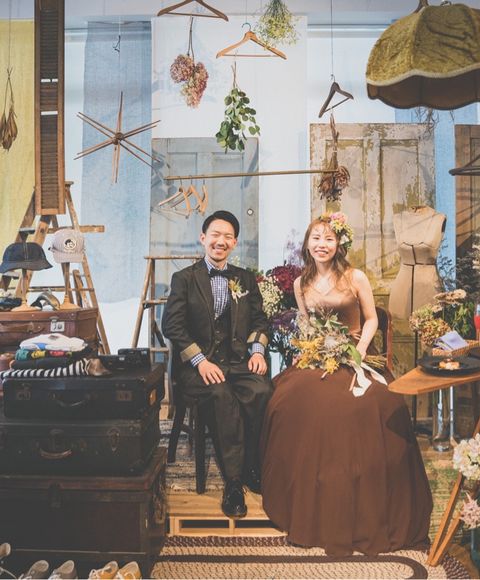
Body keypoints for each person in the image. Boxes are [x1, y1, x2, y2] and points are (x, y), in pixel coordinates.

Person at [260, 213, 433, 556]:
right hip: (317, 356)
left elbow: (371, 319)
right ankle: (306, 500)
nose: (322, 245)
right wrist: (307, 349)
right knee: (288, 400)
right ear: (307, 244)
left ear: (339, 244)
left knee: (371, 403)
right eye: (316, 238)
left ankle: (359, 501)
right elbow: (306, 324)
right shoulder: (300, 284)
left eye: (328, 239)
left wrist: (359, 349)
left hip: (355, 353)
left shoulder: (355, 277)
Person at [162, 210, 273, 519]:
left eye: (227, 237)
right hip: (199, 366)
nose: (220, 241)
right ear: (203, 238)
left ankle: (253, 466)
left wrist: (257, 352)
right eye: (215, 235)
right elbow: (172, 326)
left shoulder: (244, 279)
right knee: (222, 396)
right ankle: (234, 483)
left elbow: (261, 321)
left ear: (234, 243)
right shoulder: (184, 279)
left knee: (262, 391)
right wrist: (200, 361)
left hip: (238, 362)